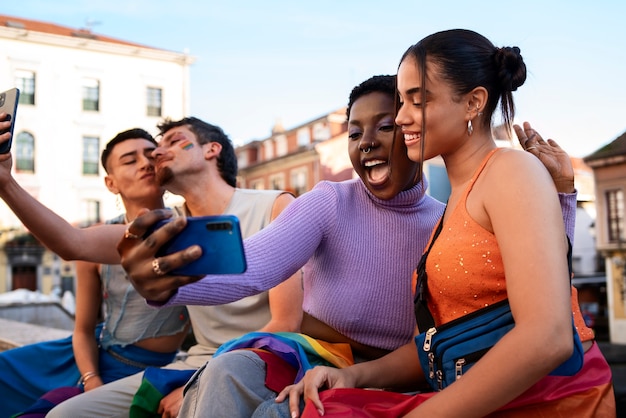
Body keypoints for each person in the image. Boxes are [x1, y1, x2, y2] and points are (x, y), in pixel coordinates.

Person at [115, 75, 582, 418]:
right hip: (320, 356)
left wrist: (562, 195)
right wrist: (166, 280)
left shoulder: (448, 218)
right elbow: (253, 266)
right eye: (355, 133)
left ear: (412, 131)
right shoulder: (329, 201)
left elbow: (536, 281)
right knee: (228, 372)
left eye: (385, 126)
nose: (367, 143)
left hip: (404, 374)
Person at [276, 29, 616, 417]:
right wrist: (356, 376)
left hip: (548, 401)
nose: (401, 116)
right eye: (402, 101)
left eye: (417, 101)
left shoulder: (510, 171)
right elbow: (444, 344)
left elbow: (548, 337)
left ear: (473, 103)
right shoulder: (453, 204)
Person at [0, 116, 303, 417]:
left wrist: (195, 383)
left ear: (212, 150)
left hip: (258, 359)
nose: (155, 154)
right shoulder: (166, 228)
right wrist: (6, 183)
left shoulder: (275, 205)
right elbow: (72, 242)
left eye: (172, 142)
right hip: (192, 361)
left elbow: (286, 324)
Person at [0, 129, 190, 418]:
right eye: (130, 160)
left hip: (150, 371)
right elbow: (83, 330)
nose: (145, 163)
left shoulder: (191, 230)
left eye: (152, 155)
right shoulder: (96, 240)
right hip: (85, 361)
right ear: (110, 184)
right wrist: (92, 380)